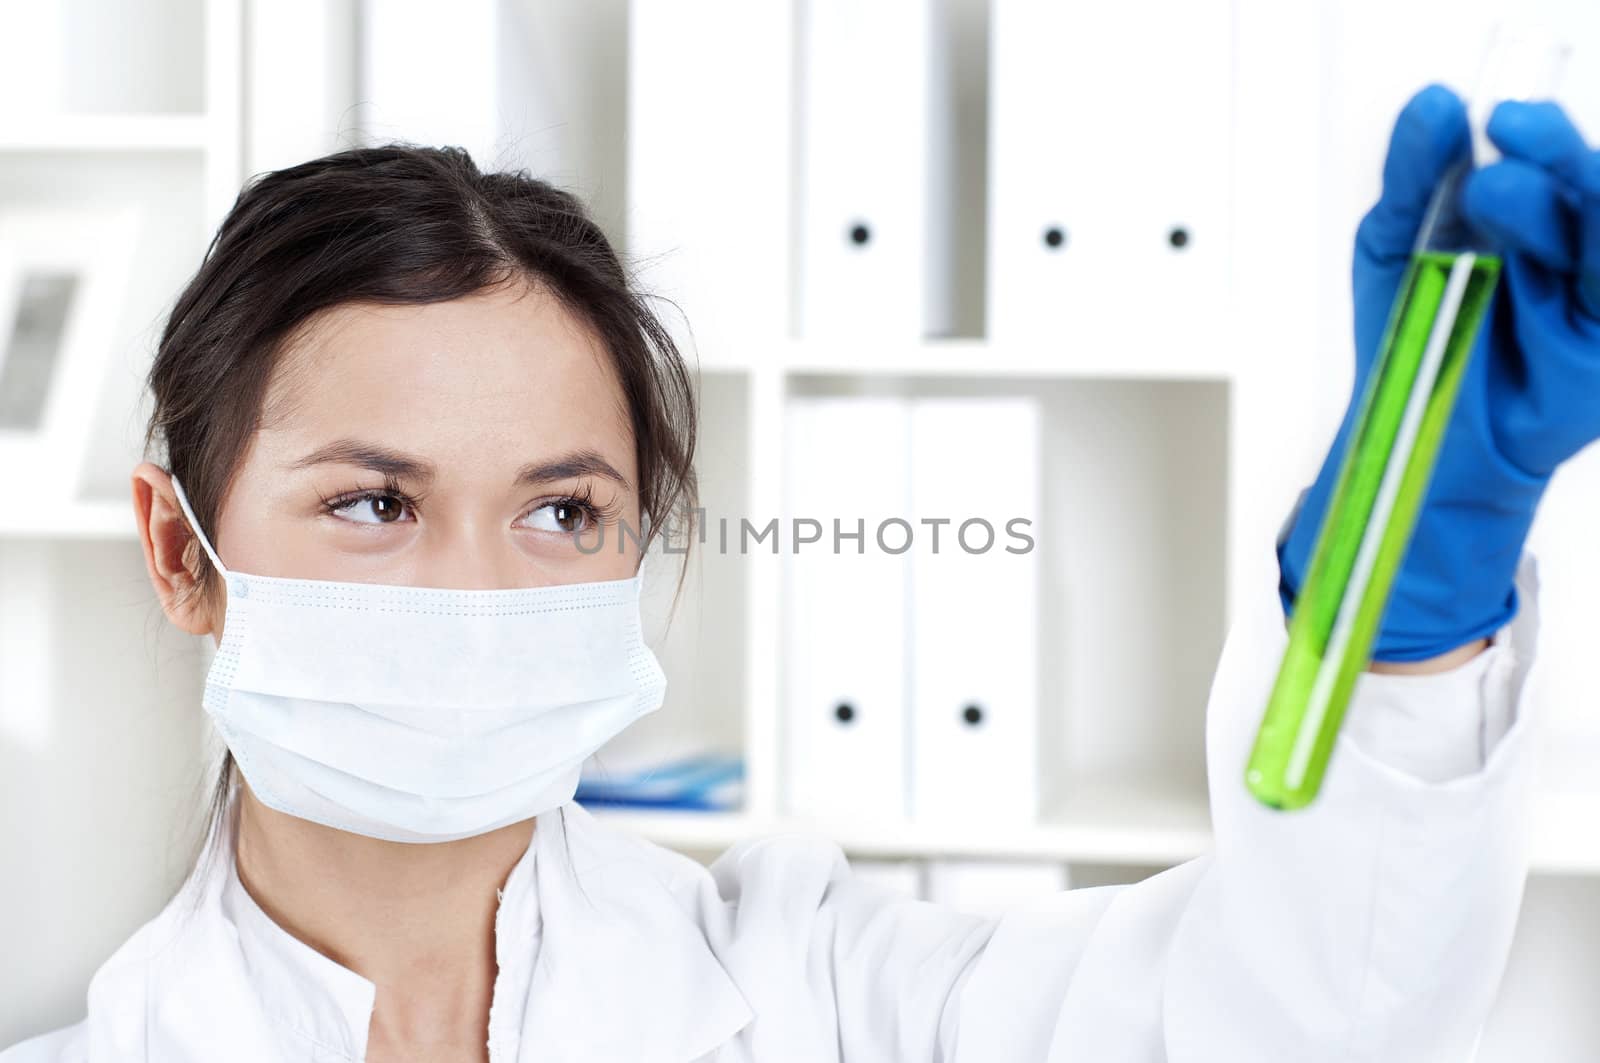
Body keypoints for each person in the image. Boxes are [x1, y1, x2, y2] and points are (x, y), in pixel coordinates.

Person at [3, 84, 1596, 1062]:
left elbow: (1294, 1032)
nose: (478, 595)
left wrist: (1400, 621)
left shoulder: (819, 994)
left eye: (562, 513)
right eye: (372, 504)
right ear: (179, 549)